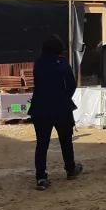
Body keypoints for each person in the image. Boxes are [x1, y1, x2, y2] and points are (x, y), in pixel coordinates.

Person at [30, 35, 83, 190]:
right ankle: (70, 169)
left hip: (40, 109)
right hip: (61, 108)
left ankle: (41, 176)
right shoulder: (63, 63)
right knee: (66, 141)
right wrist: (65, 98)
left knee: (41, 143)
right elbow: (72, 85)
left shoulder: (38, 63)